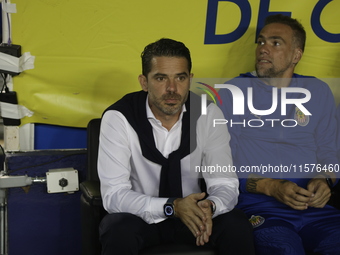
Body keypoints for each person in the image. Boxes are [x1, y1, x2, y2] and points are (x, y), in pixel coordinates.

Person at [97, 38, 255, 255]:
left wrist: (211, 206)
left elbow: (224, 183)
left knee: (236, 224)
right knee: (117, 229)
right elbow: (113, 195)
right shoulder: (120, 117)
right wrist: (172, 206)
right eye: (161, 78)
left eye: (180, 78)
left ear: (190, 79)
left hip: (194, 217)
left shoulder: (208, 114)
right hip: (142, 217)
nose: (172, 89)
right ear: (144, 82)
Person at [218, 14, 340, 254]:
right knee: (284, 249)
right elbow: (221, 166)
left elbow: (330, 153)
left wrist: (325, 180)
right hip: (260, 209)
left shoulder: (317, 91)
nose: (263, 49)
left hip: (316, 211)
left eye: (275, 43)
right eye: (261, 42)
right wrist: (269, 186)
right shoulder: (234, 92)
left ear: (296, 55)